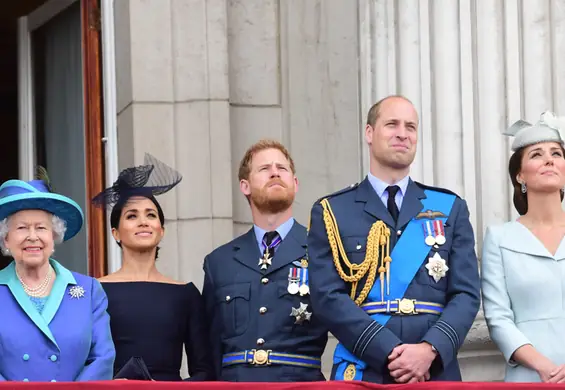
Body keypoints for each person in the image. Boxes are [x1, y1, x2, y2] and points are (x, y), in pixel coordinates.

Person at [307, 95, 481, 383]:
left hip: (433, 370)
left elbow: (466, 294)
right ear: (369, 133)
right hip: (367, 365)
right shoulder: (332, 211)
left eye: (411, 127)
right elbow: (327, 297)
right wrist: (390, 350)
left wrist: (429, 350)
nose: (403, 133)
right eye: (392, 124)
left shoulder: (450, 207)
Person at [202, 140, 328, 382]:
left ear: (295, 183)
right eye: (264, 169)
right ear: (245, 185)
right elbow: (210, 349)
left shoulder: (322, 251)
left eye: (282, 168)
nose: (274, 172)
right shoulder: (219, 262)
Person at [94, 154, 214, 381]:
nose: (143, 221)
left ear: (161, 229)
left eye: (151, 215)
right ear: (115, 233)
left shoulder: (186, 293)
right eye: (132, 216)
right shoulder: (95, 291)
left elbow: (204, 370)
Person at [0, 171, 115, 382]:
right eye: (22, 228)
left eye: (41, 228)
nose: (32, 236)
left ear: (54, 236)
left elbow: (102, 359)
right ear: (6, 239)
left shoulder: (89, 290)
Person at [482, 111, 565, 383]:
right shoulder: (499, 238)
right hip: (530, 376)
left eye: (556, 153)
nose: (549, 160)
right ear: (520, 175)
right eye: (537, 154)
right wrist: (545, 367)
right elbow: (498, 317)